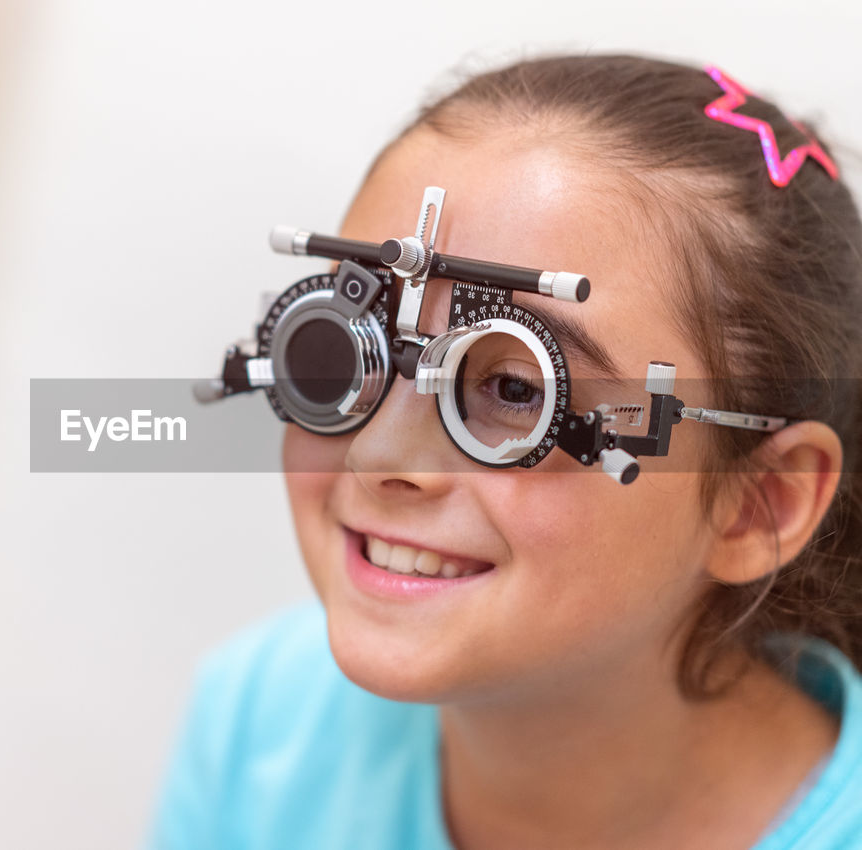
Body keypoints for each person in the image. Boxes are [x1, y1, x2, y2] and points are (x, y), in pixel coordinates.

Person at [150, 54, 862, 849]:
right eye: (347, 353)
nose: (378, 455)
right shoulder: (262, 727)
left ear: (758, 504)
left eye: (516, 391)